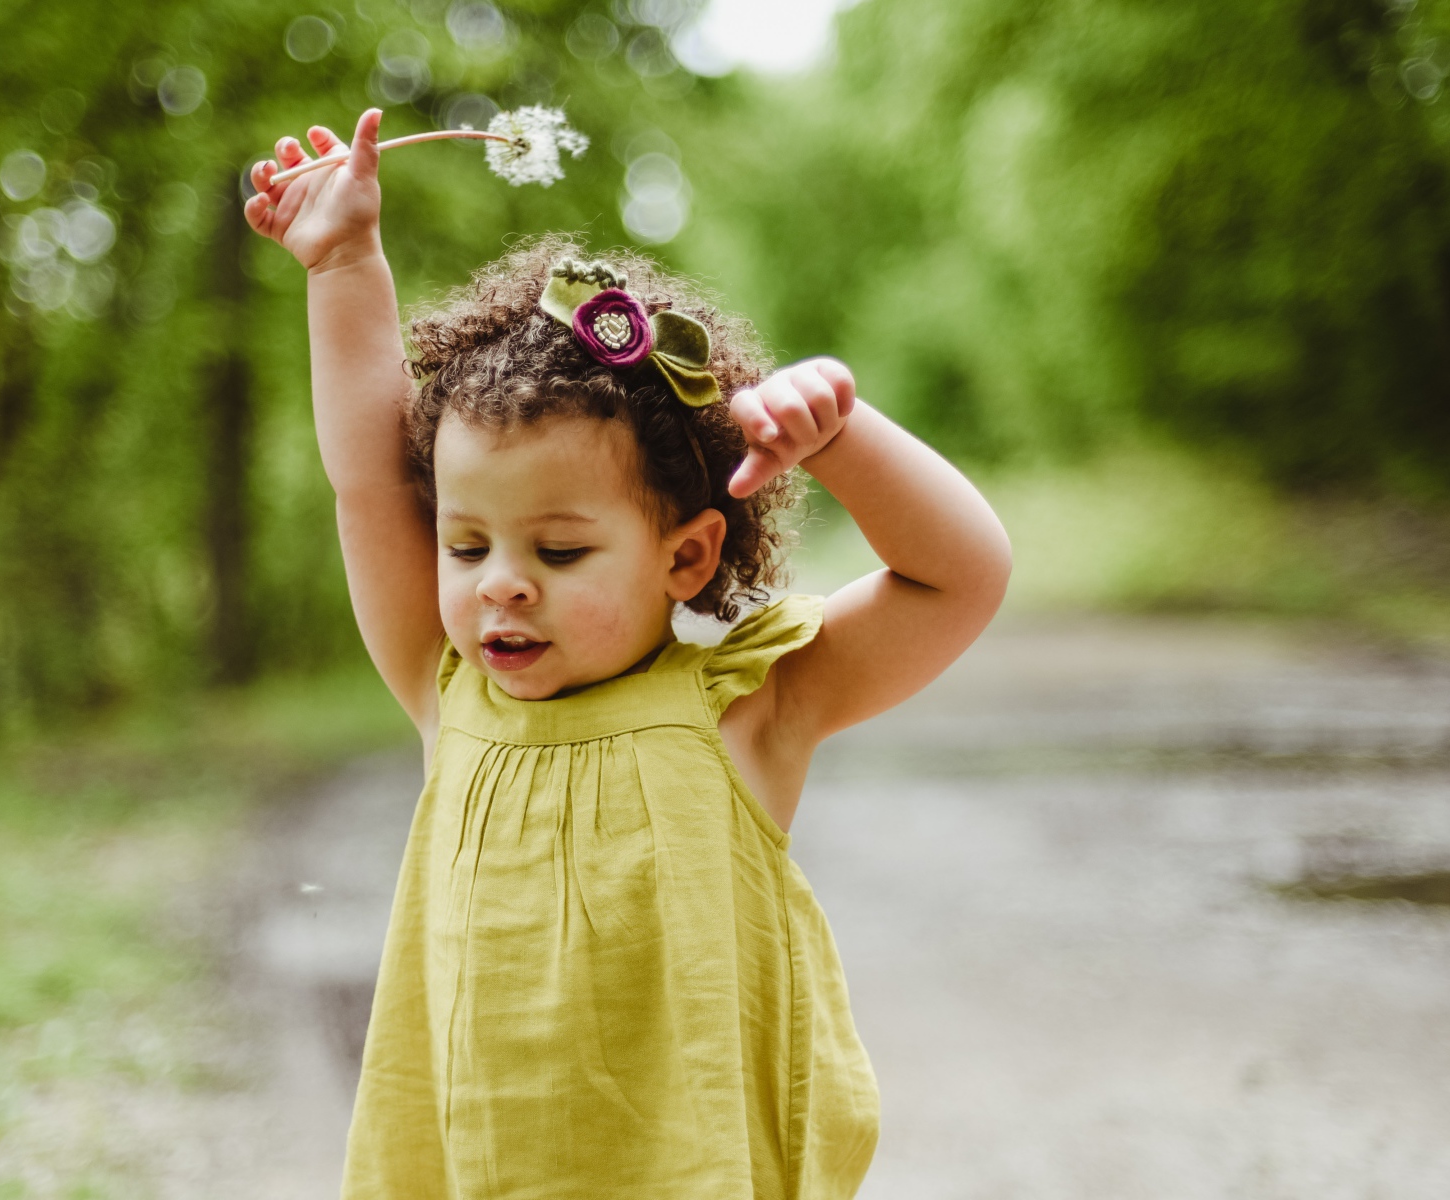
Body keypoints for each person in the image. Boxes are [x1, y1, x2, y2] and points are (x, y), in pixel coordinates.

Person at [244, 109, 1012, 1200]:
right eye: (465, 544)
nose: (500, 580)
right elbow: (370, 476)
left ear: (687, 556)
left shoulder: (748, 709)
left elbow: (959, 578)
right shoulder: (447, 688)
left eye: (559, 549)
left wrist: (842, 439)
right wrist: (344, 263)